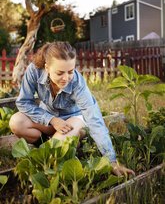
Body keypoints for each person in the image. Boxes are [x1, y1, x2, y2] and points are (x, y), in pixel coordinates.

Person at [9, 41, 135, 177]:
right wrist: (51, 119)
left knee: (55, 148)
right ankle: (52, 143)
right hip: (48, 119)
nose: (66, 78)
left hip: (74, 120)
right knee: (16, 122)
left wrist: (111, 161)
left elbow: (94, 120)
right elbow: (23, 102)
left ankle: (61, 142)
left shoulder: (77, 83)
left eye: (70, 71)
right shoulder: (34, 71)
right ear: (47, 68)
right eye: (59, 73)